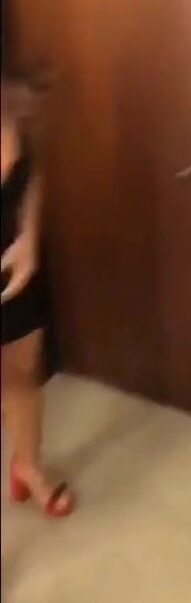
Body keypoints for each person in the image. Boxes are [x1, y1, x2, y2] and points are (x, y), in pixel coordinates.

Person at [1, 70, 74, 517]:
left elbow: (33, 173)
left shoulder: (18, 102)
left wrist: (29, 238)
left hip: (13, 268)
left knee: (22, 375)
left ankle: (27, 466)